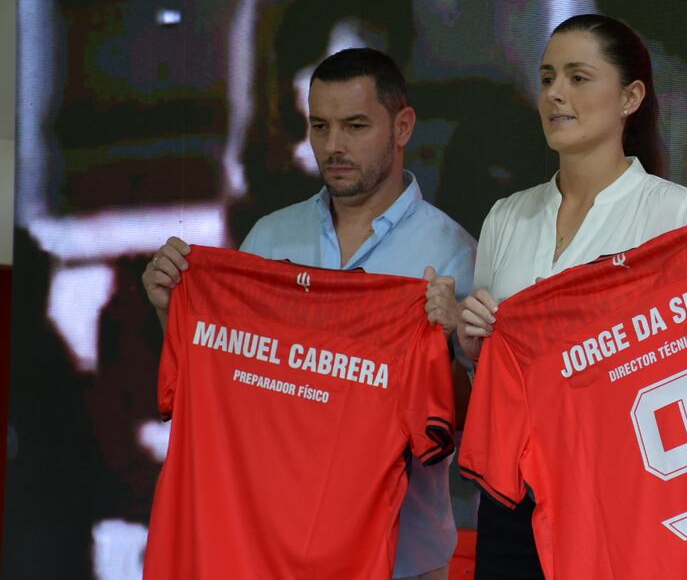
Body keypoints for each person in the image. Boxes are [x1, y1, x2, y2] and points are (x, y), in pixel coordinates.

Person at [142, 48, 475, 580]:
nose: (333, 146)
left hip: (401, 562)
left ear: (402, 126)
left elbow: (463, 424)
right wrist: (172, 313)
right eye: (319, 126)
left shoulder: (454, 255)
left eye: (355, 125)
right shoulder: (268, 240)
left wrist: (453, 341)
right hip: (264, 548)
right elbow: (219, 385)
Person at [452, 13, 687, 579]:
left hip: (620, 492)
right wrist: (474, 350)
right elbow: (496, 379)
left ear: (631, 97)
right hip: (511, 495)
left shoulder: (676, 212)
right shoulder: (506, 216)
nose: (555, 94)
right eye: (547, 78)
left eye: (577, 77)